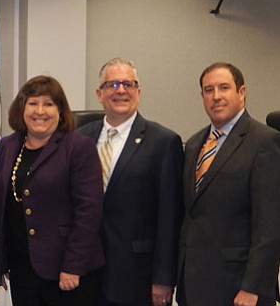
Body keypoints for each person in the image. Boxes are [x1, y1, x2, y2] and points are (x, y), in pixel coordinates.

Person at [77, 58, 183, 306]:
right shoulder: (79, 138)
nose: (121, 90)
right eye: (112, 84)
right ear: (99, 93)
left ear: (138, 91)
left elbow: (170, 217)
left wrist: (164, 279)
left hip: (136, 277)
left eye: (128, 84)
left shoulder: (163, 142)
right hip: (84, 274)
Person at [0, 75, 104, 306]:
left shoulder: (78, 147)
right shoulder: (8, 145)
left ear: (61, 111)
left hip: (65, 271)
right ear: (22, 109)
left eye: (48, 104)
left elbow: (88, 212)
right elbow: (1, 206)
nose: (40, 111)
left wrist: (73, 266)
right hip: (22, 268)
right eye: (33, 103)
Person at [177, 62, 280, 306]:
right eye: (208, 90)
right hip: (195, 285)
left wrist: (252, 287)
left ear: (241, 92)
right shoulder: (193, 144)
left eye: (224, 88)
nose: (216, 96)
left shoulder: (265, 142)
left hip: (239, 289)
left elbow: (270, 224)